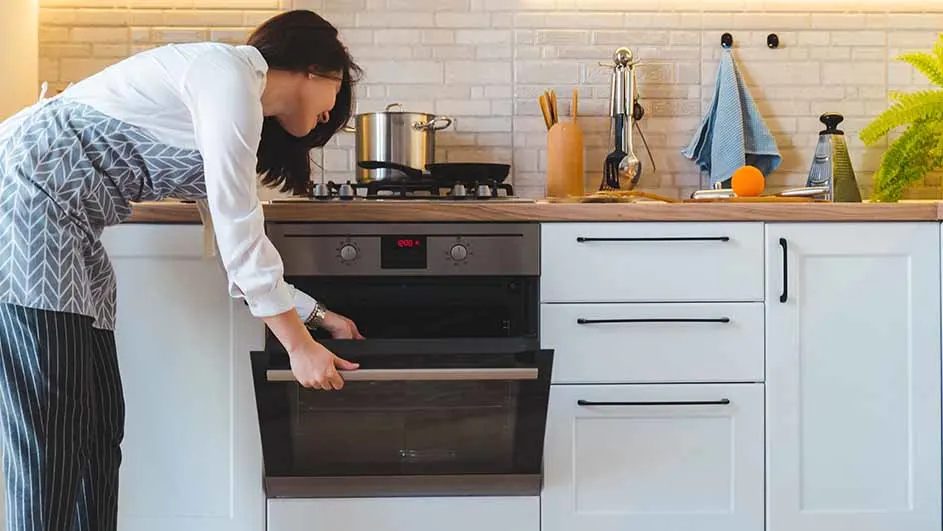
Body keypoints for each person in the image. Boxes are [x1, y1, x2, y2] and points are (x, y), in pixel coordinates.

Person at [0, 9, 364, 531]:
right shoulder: (227, 77)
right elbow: (241, 234)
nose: (333, 113)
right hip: (26, 209)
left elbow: (234, 246)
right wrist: (298, 347)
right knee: (50, 436)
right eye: (339, 92)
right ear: (315, 69)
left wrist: (315, 315)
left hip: (72, 231)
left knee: (99, 428)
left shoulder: (237, 103)